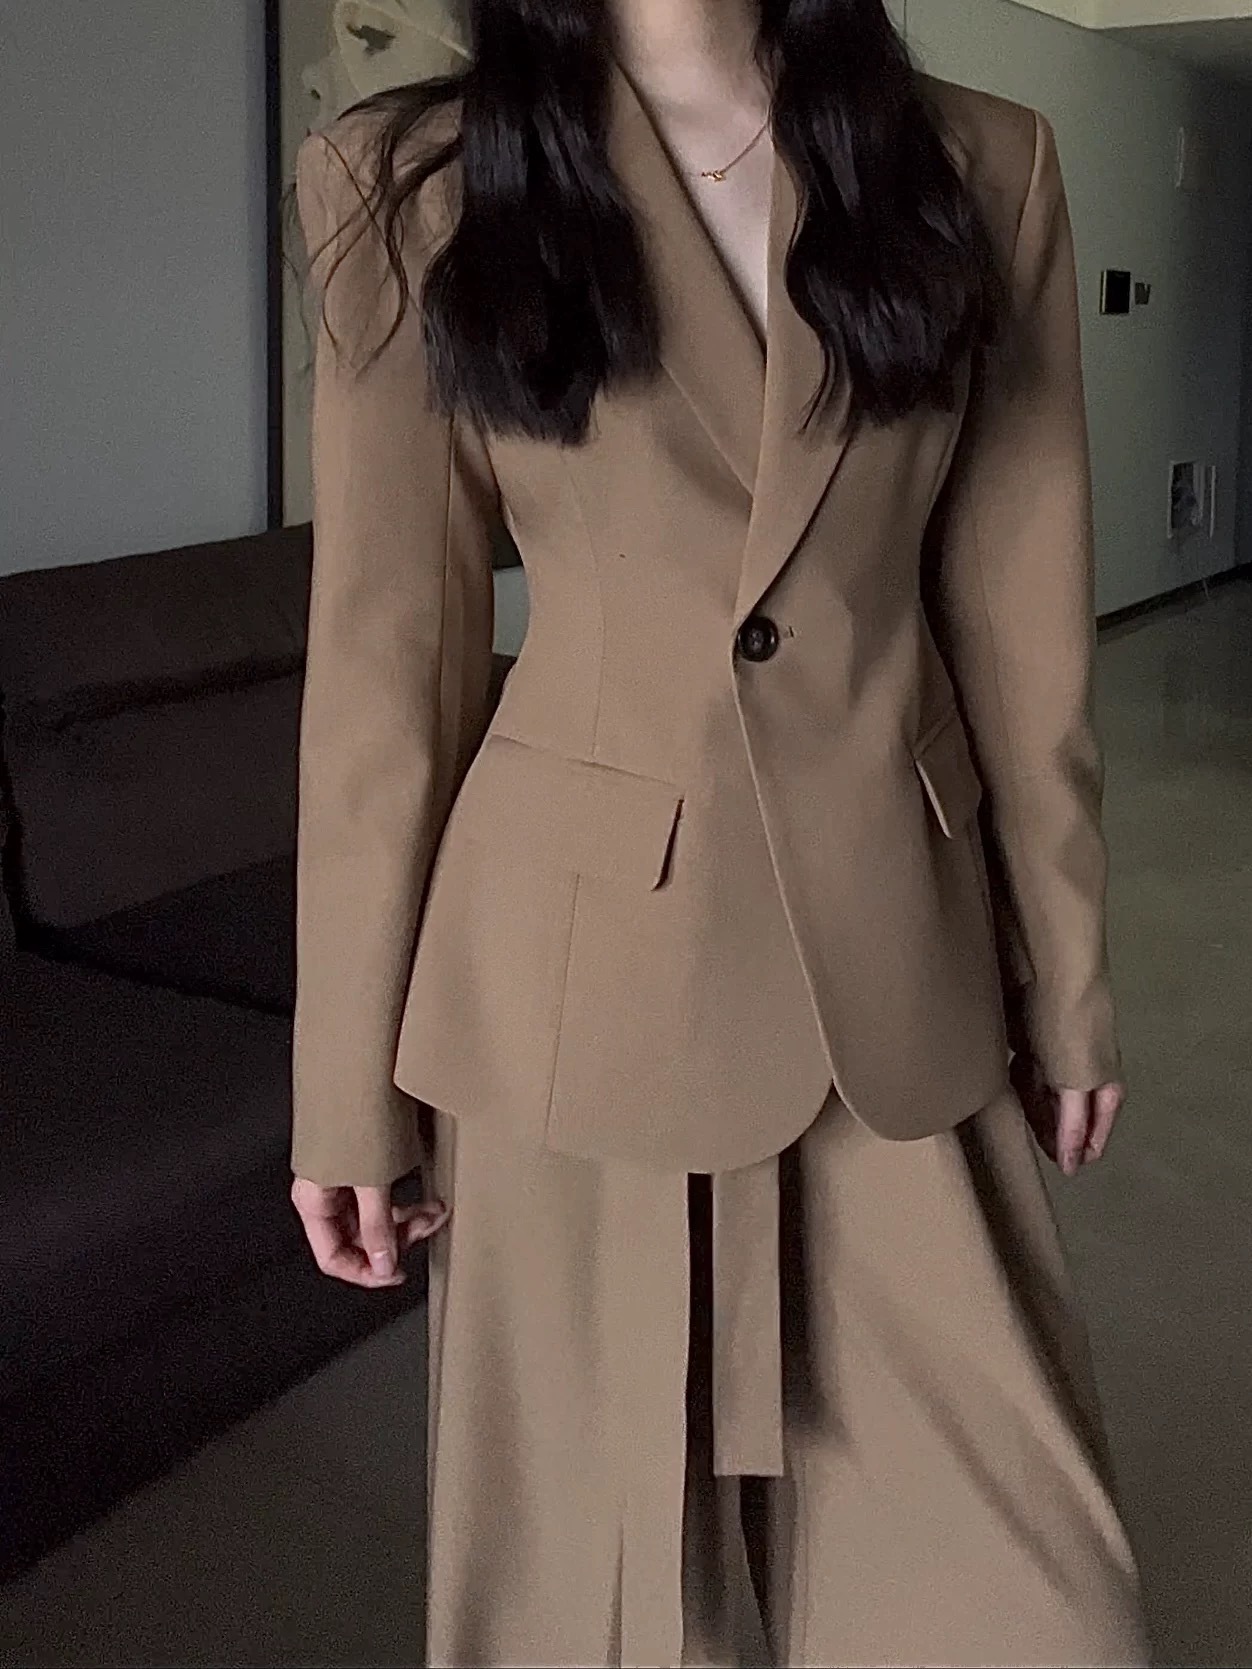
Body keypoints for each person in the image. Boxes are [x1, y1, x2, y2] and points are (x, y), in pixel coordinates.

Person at [287, 0, 1152, 1662]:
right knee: (594, 1608)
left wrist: (1069, 973)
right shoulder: (413, 180)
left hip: (897, 959)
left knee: (1039, 1602)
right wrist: (344, 1086)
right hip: (574, 987)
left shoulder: (982, 165)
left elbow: (1022, 625)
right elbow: (391, 662)